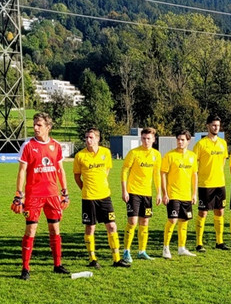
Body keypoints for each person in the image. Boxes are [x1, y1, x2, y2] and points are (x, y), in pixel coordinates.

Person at [15, 112, 71, 280]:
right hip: (34, 196)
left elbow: (60, 170)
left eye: (39, 125)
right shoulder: (28, 145)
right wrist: (19, 194)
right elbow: (22, 171)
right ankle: (25, 268)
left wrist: (65, 191)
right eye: (34, 124)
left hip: (53, 195)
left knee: (55, 228)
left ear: (48, 127)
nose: (36, 128)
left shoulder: (56, 146)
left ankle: (57, 264)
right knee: (31, 229)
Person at [73, 127, 128, 269]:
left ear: (98, 138)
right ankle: (92, 259)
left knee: (111, 225)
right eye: (86, 137)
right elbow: (77, 176)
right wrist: (85, 188)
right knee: (90, 228)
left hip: (105, 196)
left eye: (91, 137)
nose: (88, 140)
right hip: (88, 198)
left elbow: (107, 171)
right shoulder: (80, 156)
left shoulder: (106, 153)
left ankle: (116, 259)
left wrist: (100, 185)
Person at [120, 127, 161, 262]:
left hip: (147, 194)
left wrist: (159, 193)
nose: (146, 141)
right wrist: (124, 190)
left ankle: (142, 251)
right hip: (133, 192)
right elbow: (125, 171)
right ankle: (126, 251)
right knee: (133, 221)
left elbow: (157, 175)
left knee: (145, 221)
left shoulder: (156, 155)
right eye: (143, 138)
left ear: (154, 140)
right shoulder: (134, 153)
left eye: (148, 138)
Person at [192, 115, 229, 252]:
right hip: (205, 184)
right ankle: (199, 243)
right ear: (208, 126)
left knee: (220, 211)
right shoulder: (201, 144)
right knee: (203, 213)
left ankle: (219, 242)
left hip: (220, 183)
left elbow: (224, 160)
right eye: (213, 125)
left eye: (218, 125)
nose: (216, 128)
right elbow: (193, 162)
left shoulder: (223, 143)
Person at [160, 129, 197, 259]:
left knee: (184, 221)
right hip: (173, 194)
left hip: (186, 195)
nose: (180, 142)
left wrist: (194, 193)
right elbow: (163, 174)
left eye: (183, 140)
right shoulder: (170, 155)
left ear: (188, 141)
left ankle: (182, 248)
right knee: (173, 220)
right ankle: (166, 248)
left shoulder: (192, 156)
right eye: (178, 139)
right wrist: (165, 193)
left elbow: (194, 175)